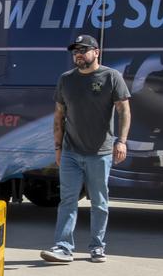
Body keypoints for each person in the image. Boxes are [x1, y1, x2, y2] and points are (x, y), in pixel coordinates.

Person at [40, 34, 131, 263]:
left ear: (96, 52)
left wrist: (121, 141)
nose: (78, 54)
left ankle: (97, 247)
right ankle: (63, 247)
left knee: (99, 202)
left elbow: (124, 111)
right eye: (75, 51)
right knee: (67, 200)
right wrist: (58, 148)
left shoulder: (111, 77)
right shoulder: (66, 80)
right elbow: (59, 115)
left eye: (83, 50)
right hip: (71, 151)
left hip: (100, 152)